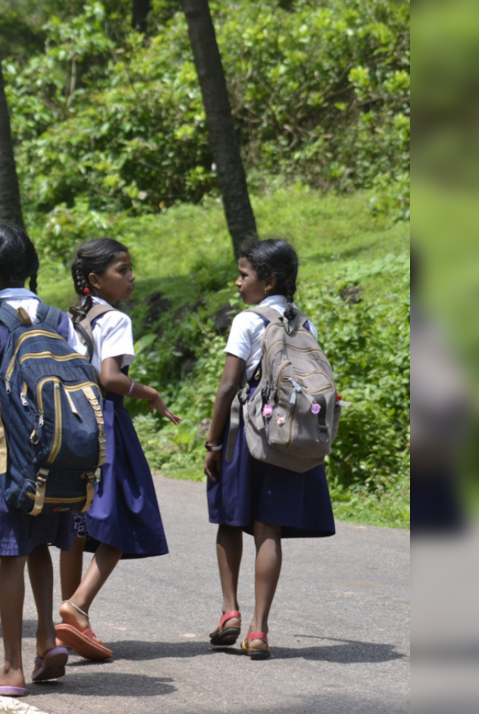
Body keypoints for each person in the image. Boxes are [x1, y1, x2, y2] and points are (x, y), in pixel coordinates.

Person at [0, 223, 79, 696]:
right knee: (42, 545)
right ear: (32, 267)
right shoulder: (58, 318)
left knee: (12, 554)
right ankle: (48, 641)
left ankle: (11, 667)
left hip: (8, 453)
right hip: (57, 451)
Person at [204, 239, 335, 660]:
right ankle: (259, 630)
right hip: (289, 436)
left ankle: (230, 612)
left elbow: (228, 386)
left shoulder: (247, 320)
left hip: (248, 434)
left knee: (229, 519)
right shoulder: (305, 323)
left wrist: (212, 440)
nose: (238, 282)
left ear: (269, 280)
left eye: (244, 274)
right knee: (268, 529)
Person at [56, 238, 179, 661]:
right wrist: (149, 392)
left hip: (69, 425)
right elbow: (110, 377)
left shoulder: (66, 319)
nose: (131, 277)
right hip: (106, 424)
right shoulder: (116, 319)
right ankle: (76, 605)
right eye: (122, 270)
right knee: (126, 516)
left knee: (76, 522)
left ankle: (63, 622)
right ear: (95, 279)